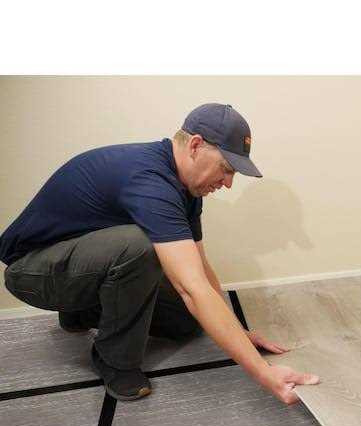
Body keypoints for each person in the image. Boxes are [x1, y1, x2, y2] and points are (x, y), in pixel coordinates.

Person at [0, 103, 320, 404]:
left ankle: (81, 312)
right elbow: (190, 288)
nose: (228, 184)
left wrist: (240, 331)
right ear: (195, 145)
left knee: (186, 322)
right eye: (226, 169)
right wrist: (264, 373)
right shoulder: (150, 182)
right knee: (140, 246)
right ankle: (115, 361)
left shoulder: (187, 189)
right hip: (33, 272)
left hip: (78, 265)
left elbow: (199, 268)